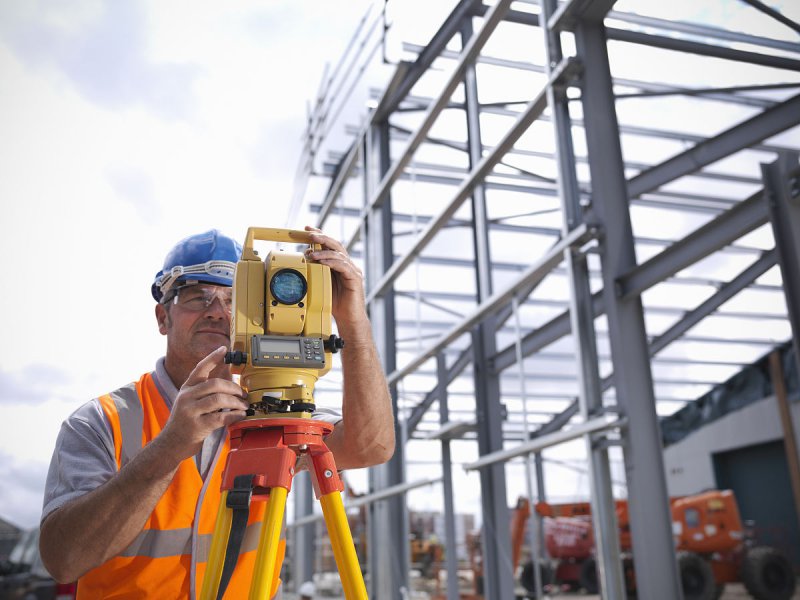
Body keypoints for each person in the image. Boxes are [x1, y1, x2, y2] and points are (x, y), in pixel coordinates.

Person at [38, 227, 395, 598]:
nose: (218, 313)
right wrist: (171, 445)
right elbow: (64, 559)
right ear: (163, 318)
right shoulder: (103, 421)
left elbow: (371, 446)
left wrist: (353, 322)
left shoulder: (271, 411)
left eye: (233, 299)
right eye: (196, 298)